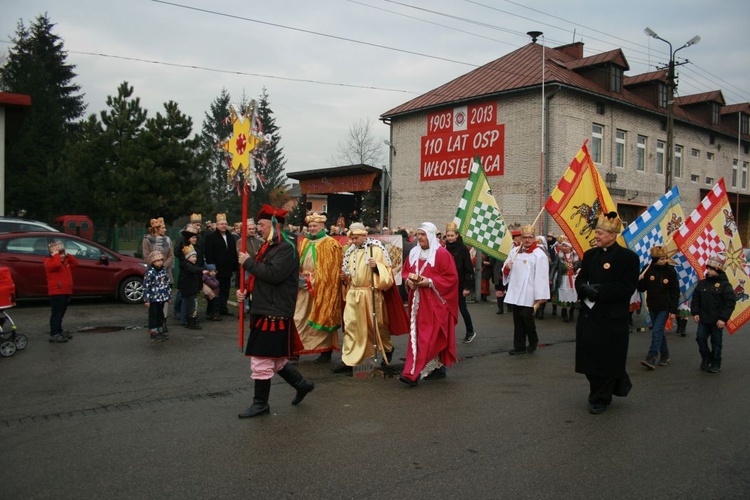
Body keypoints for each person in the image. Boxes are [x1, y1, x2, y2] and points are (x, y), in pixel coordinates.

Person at [236, 204, 314, 418]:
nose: (257, 229)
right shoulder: (269, 247)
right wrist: (245, 294)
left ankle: (260, 403)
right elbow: (259, 279)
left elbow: (274, 275)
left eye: (260, 225)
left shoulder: (286, 248)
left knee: (261, 358)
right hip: (265, 307)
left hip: (275, 311)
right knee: (275, 359)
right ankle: (302, 384)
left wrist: (248, 262)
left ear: (273, 225)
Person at [575, 212, 639, 415]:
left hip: (612, 318)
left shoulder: (628, 258)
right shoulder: (590, 255)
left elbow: (627, 287)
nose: (596, 235)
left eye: (600, 232)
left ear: (613, 235)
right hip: (589, 316)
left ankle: (599, 398)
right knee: (589, 359)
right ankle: (606, 389)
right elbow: (581, 278)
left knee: (609, 359)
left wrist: (600, 292)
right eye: (596, 231)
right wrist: (583, 288)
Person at [334, 223, 408, 373]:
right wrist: (345, 277)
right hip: (354, 294)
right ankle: (348, 359)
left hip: (372, 294)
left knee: (377, 326)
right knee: (351, 326)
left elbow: (387, 273)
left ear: (364, 235)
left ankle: (387, 348)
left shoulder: (376, 249)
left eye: (356, 238)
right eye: (352, 238)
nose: (353, 241)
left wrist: (376, 267)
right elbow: (350, 273)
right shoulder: (350, 252)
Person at [399, 222, 458, 386]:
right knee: (418, 336)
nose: (419, 237)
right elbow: (406, 272)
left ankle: (414, 374)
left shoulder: (442, 254)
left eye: (423, 234)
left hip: (435, 304)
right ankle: (437, 369)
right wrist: (408, 282)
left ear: (431, 236)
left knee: (428, 337)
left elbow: (451, 279)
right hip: (417, 303)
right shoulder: (414, 253)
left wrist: (430, 281)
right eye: (418, 234)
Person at [294, 212, 343, 363]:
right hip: (303, 288)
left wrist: (313, 280)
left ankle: (325, 350)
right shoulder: (305, 242)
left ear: (323, 226)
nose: (312, 228)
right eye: (310, 226)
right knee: (298, 317)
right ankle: (296, 350)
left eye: (315, 226)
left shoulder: (331, 244)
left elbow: (331, 271)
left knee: (322, 317)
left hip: (321, 288)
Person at [502, 224, 550, 355]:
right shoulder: (514, 252)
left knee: (527, 318)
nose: (527, 240)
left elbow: (541, 276)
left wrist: (541, 295)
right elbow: (505, 269)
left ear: (534, 238)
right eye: (525, 237)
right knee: (517, 319)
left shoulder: (539, 255)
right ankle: (519, 346)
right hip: (516, 291)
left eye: (530, 237)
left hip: (529, 292)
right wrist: (507, 268)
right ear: (521, 238)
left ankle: (533, 340)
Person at [690, 253, 736, 374]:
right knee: (700, 339)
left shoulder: (725, 285)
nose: (708, 271)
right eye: (708, 268)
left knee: (716, 342)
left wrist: (723, 319)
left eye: (711, 269)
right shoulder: (702, 283)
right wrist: (695, 312)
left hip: (717, 320)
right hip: (704, 318)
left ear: (717, 270)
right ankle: (706, 358)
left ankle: (716, 363)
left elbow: (729, 303)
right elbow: (695, 299)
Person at [637, 246, 679, 369]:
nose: (664, 261)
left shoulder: (670, 271)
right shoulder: (647, 269)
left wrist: (673, 310)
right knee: (659, 332)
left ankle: (651, 357)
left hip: (664, 307)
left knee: (656, 331)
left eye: (665, 258)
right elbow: (641, 288)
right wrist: (639, 280)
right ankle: (665, 355)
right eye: (661, 259)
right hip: (652, 305)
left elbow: (675, 291)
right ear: (655, 259)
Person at [444, 222, 477, 343]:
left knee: (463, 309)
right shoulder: (445, 248)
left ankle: (470, 331)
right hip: (448, 285)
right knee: (446, 310)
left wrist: (467, 287)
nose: (450, 238)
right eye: (448, 236)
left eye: (452, 235)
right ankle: (446, 334)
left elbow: (468, 268)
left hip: (460, 284)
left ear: (457, 235)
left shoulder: (463, 249)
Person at [142, 217, 174, 333]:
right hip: (153, 271)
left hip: (165, 272)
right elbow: (146, 256)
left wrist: (163, 266)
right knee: (155, 305)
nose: (165, 230)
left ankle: (163, 321)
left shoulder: (168, 240)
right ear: (156, 229)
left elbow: (171, 256)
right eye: (163, 228)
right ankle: (155, 326)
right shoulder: (147, 240)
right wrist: (155, 265)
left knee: (164, 301)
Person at [204, 213, 238, 317]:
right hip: (216, 269)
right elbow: (209, 253)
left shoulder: (230, 237)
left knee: (225, 290)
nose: (223, 225)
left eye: (225, 224)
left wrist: (234, 266)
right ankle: (214, 310)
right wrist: (212, 267)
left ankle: (223, 308)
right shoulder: (211, 237)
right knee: (215, 290)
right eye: (221, 224)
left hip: (227, 269)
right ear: (217, 225)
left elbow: (233, 252)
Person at [44, 240, 78, 343]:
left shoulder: (65, 262)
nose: (61, 256)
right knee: (56, 314)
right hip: (57, 292)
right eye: (60, 254)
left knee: (61, 313)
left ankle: (59, 330)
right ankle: (54, 333)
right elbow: (56, 265)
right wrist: (56, 254)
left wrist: (66, 254)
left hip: (65, 291)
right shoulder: (49, 262)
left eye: (62, 253)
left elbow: (76, 263)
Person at [236, 218, 264, 314]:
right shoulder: (241, 241)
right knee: (244, 289)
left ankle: (254, 308)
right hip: (246, 268)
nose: (252, 231)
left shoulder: (259, 241)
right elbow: (242, 254)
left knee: (255, 288)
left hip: (257, 267)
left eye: (253, 229)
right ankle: (242, 310)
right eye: (250, 229)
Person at [143, 250, 171, 342]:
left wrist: (169, 296)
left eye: (161, 260)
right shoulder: (150, 272)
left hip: (162, 297)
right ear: (153, 262)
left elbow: (167, 284)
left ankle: (160, 330)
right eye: (157, 260)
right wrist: (147, 299)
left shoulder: (163, 270)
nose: (160, 262)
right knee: (153, 315)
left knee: (160, 314)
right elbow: (146, 286)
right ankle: (153, 332)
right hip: (153, 298)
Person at [550, 236, 580, 323]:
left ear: (570, 246)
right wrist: (551, 278)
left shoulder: (576, 256)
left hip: (573, 278)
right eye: (563, 246)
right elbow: (554, 267)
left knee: (574, 295)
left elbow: (580, 266)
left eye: (565, 246)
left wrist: (577, 269)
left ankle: (571, 311)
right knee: (564, 296)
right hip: (563, 279)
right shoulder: (559, 256)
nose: (563, 248)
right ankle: (564, 313)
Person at [178, 244, 206, 330]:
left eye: (195, 257)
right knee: (193, 307)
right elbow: (194, 270)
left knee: (190, 306)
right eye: (193, 257)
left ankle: (189, 321)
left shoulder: (190, 266)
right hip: (189, 290)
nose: (195, 258)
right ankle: (192, 322)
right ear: (188, 258)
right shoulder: (187, 266)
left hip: (191, 290)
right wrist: (202, 270)